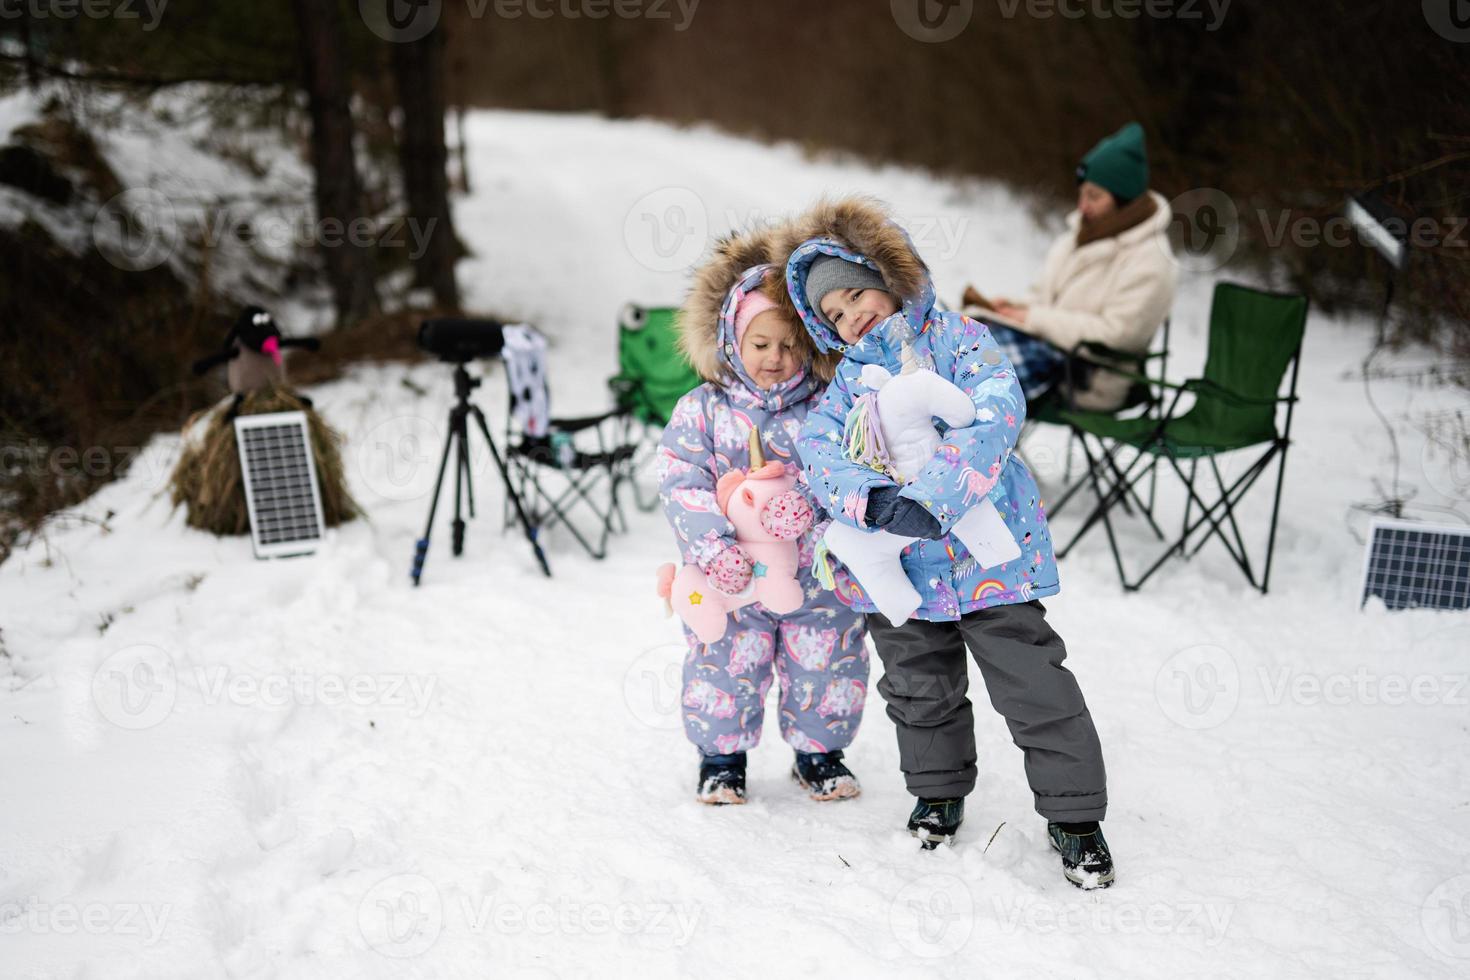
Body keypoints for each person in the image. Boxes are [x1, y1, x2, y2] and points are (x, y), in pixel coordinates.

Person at [778, 196, 1114, 889]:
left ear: (891, 273)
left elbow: (995, 411)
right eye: (832, 315)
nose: (849, 315)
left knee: (1033, 684)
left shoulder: (960, 340)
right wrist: (870, 499)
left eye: (854, 293)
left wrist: (934, 496)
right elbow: (819, 450)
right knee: (918, 686)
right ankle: (937, 792)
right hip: (900, 568)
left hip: (988, 565)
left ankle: (1076, 816)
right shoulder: (847, 383)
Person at [658, 229, 869, 807]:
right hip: (732, 579)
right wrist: (712, 549)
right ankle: (722, 759)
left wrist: (814, 506)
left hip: (818, 577)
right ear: (732, 340)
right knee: (724, 657)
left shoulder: (830, 403)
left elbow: (854, 467)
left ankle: (819, 755)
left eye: (788, 344)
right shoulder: (705, 408)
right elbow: (681, 478)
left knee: (826, 663)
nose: (775, 358)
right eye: (760, 344)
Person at [963, 121, 1176, 411]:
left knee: (978, 372)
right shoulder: (1076, 237)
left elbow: (1117, 335)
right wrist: (1015, 309)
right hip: (1050, 353)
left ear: (1125, 201)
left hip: (1089, 374)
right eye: (1082, 193)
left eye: (1095, 196)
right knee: (964, 340)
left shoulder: (1150, 260)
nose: (1083, 206)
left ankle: (965, 447)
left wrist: (1033, 319)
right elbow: (1045, 300)